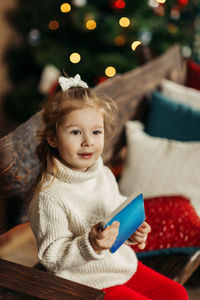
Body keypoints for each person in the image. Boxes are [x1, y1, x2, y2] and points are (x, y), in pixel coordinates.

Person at [29, 74, 189, 300]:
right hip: (83, 283)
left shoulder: (101, 173)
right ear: (53, 138)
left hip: (117, 265)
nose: (88, 142)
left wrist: (131, 231)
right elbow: (52, 258)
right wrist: (91, 244)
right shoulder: (50, 196)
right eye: (76, 132)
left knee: (176, 293)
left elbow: (115, 214)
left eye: (96, 132)